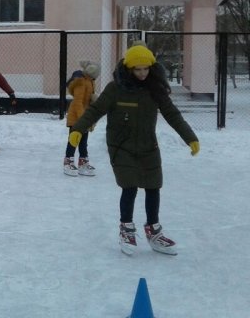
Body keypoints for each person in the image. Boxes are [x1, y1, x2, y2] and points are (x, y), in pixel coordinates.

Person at [67, 44, 199, 256]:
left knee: (153, 186)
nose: (142, 73)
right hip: (121, 145)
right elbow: (96, 109)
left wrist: (190, 138)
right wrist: (78, 130)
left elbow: (172, 114)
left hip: (148, 145)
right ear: (128, 68)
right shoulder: (115, 88)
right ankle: (126, 228)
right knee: (129, 186)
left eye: (146, 69)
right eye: (137, 69)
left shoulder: (155, 89)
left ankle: (154, 231)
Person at [63, 60, 100, 176]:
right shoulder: (81, 82)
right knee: (74, 139)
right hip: (77, 117)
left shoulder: (90, 81)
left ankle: (83, 162)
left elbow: (88, 99)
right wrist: (83, 119)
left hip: (85, 115)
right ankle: (68, 161)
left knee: (83, 141)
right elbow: (78, 102)